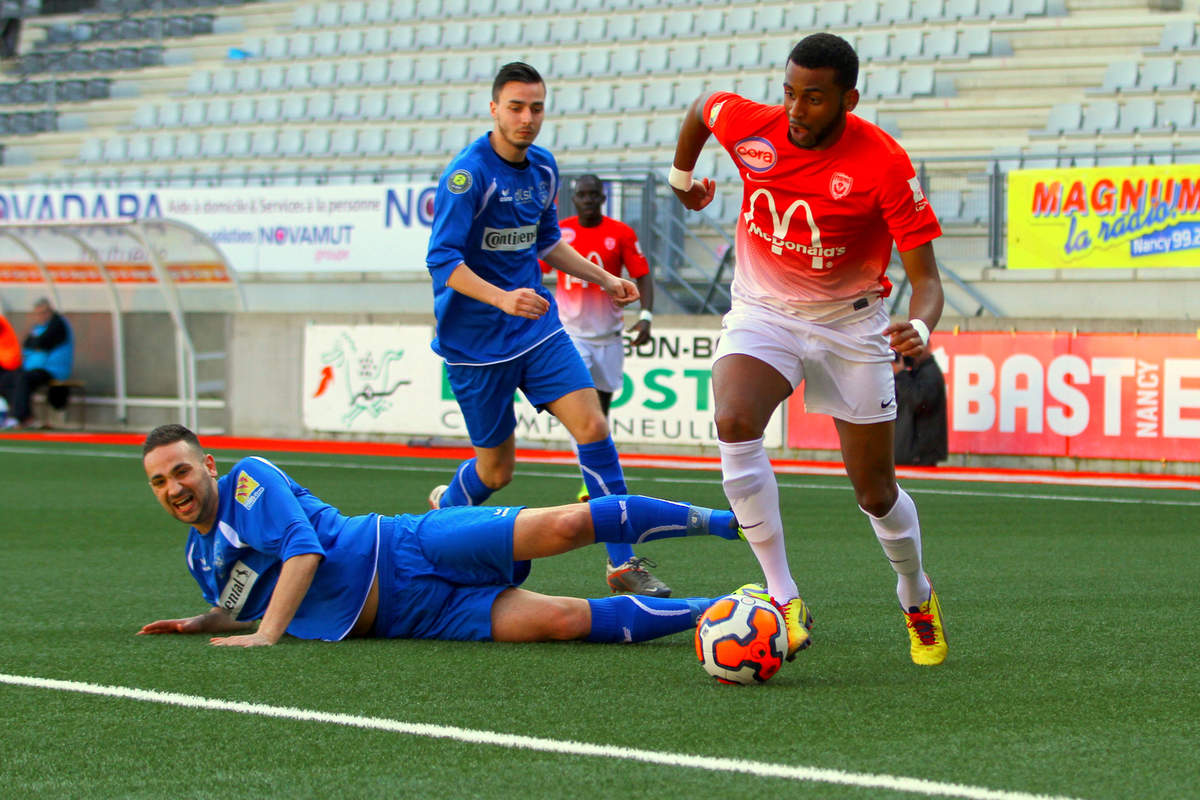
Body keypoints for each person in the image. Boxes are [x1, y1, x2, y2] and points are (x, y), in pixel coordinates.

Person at [668, 33, 948, 666]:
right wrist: (681, 179)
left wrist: (921, 329)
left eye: (814, 98)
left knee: (874, 490)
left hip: (853, 325)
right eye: (790, 93)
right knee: (735, 421)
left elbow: (927, 283)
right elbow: (703, 107)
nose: (795, 110)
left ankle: (916, 593)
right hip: (763, 310)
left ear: (848, 98)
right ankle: (783, 594)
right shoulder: (755, 126)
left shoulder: (884, 164)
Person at [136, 424, 741, 648]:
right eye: (160, 482)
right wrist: (205, 621)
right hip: (414, 618)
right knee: (562, 621)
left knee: (564, 524)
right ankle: (724, 613)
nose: (174, 487)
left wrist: (266, 638)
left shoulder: (248, 479)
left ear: (207, 465)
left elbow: (303, 550)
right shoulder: (200, 555)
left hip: (404, 546)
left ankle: (725, 523)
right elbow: (245, 600)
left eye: (182, 470)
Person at [424, 62, 670, 597]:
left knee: (594, 428)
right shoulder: (467, 176)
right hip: (474, 347)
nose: (527, 118)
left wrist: (606, 277)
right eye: (516, 107)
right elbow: (442, 260)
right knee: (496, 473)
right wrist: (501, 297)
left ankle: (622, 562)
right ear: (494, 109)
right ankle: (443, 517)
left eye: (536, 107)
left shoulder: (543, 169)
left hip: (537, 332)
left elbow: (545, 242)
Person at [541, 174, 655, 502]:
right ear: (574, 199)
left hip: (609, 337)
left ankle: (596, 476)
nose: (588, 200)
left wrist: (645, 317)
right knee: (582, 409)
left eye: (594, 195)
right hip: (571, 336)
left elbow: (643, 275)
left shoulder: (620, 233)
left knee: (602, 413)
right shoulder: (559, 233)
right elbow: (536, 268)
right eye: (582, 195)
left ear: (602, 198)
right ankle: (588, 482)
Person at [0, 298, 74, 430]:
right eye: (38, 313)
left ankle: (19, 416)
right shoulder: (38, 327)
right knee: (7, 378)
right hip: (32, 368)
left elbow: (42, 342)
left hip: (51, 370)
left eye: (43, 312)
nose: (40, 316)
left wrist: (36, 344)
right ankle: (23, 415)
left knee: (24, 378)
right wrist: (35, 344)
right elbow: (28, 343)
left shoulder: (58, 324)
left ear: (50, 311)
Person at [892, 346, 948, 467]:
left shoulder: (930, 373)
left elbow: (919, 401)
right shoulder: (913, 374)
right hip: (910, 454)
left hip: (920, 457)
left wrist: (901, 375)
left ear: (926, 346)